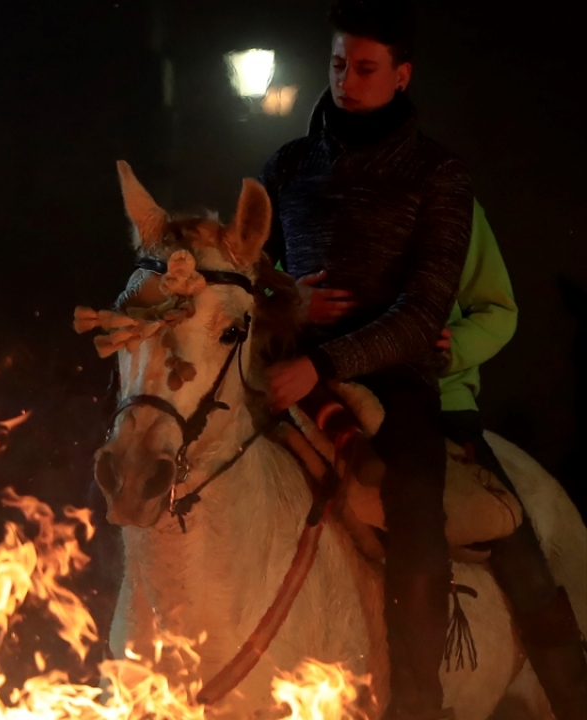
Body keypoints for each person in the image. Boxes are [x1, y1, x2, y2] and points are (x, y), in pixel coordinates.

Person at [258, 2, 471, 717]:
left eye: (366, 68)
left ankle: (417, 700)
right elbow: (247, 276)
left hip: (393, 381)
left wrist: (325, 365)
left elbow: (424, 310)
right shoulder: (288, 165)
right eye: (338, 64)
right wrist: (288, 303)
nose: (346, 81)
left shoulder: (438, 174)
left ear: (402, 76)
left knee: (416, 517)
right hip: (286, 366)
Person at [435, 204, 587, 718]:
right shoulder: (304, 180)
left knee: (521, 556)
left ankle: (573, 696)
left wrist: (450, 348)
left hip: (439, 403)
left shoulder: (449, 197)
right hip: (324, 388)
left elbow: (498, 310)